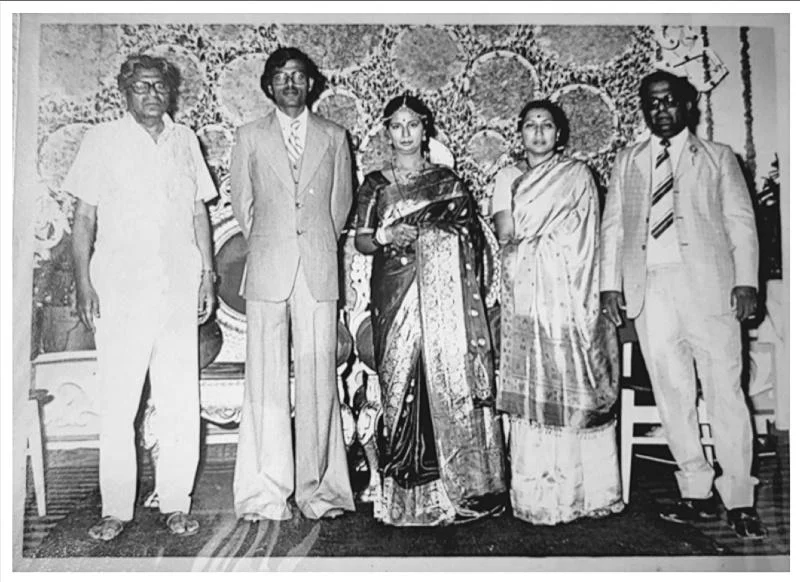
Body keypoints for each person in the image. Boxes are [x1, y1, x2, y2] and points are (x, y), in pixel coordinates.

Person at [599, 70, 766, 539]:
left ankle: (739, 499)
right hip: (651, 291)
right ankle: (695, 489)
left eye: (669, 101)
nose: (660, 110)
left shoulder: (718, 158)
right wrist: (610, 286)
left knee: (725, 393)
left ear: (687, 105)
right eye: (651, 103)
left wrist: (746, 282)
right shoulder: (628, 161)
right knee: (673, 396)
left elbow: (740, 223)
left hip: (710, 290)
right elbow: (614, 227)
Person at [66, 54, 218, 540]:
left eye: (159, 87)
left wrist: (209, 275)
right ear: (124, 93)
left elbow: (199, 216)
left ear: (169, 93)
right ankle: (116, 509)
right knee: (118, 401)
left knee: (179, 398)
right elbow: (84, 221)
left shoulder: (184, 140)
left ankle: (176, 502)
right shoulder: (102, 141)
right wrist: (83, 283)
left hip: (178, 284)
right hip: (120, 288)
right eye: (141, 87)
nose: (152, 95)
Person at [354, 94, 507, 527]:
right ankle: (406, 495)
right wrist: (387, 236)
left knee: (441, 378)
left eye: (413, 125)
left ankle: (450, 489)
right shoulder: (374, 184)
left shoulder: (448, 181)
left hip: (444, 302)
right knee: (401, 382)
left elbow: (470, 237)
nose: (405, 134)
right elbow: (363, 240)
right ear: (387, 132)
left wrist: (428, 237)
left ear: (426, 130)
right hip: (394, 292)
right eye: (397, 126)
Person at [229, 47, 355, 521]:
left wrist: (315, 244)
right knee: (264, 382)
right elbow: (244, 204)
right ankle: (265, 492)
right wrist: (273, 241)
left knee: (320, 380)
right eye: (280, 77)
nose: (289, 84)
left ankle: (320, 491)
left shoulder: (335, 137)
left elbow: (339, 208)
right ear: (268, 85)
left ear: (311, 85)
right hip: (268, 264)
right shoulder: (249, 137)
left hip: (318, 268)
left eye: (298, 76)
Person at [491, 99, 624, 526]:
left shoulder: (579, 177)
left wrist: (543, 238)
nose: (538, 133)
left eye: (547, 125)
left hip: (571, 296)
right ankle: (538, 498)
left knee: (571, 384)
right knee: (537, 389)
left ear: (559, 134)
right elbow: (507, 234)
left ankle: (585, 494)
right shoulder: (507, 178)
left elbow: (592, 241)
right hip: (530, 298)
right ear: (520, 133)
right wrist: (542, 235)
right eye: (530, 125)